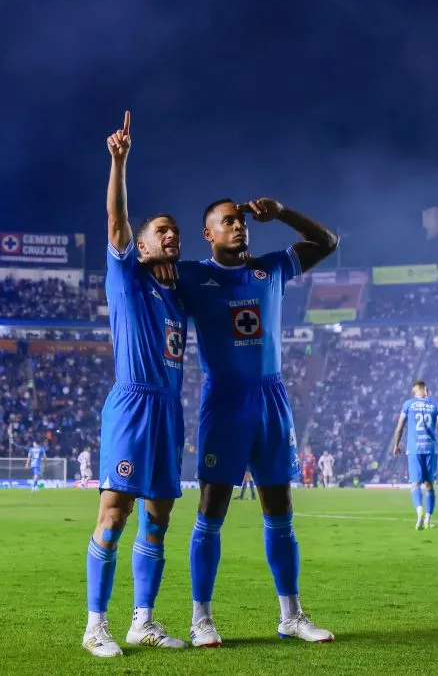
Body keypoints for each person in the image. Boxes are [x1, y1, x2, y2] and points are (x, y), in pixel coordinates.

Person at [169, 196, 338, 646]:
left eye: (242, 220)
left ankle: (291, 616)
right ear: (209, 234)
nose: (239, 226)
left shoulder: (271, 268)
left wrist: (282, 212)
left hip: (271, 396)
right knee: (211, 509)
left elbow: (327, 241)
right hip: (224, 398)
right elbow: (143, 269)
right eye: (228, 221)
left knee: (279, 508)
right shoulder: (191, 275)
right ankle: (200, 618)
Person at [82, 111, 187, 658]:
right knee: (114, 513)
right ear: (142, 247)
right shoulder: (127, 278)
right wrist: (119, 163)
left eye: (175, 232)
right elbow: (116, 222)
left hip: (170, 410)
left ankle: (141, 621)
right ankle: (95, 624)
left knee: (159, 518)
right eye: (161, 232)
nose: (171, 236)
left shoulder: (178, 297)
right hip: (132, 404)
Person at [393, 381, 438, 530]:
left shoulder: (408, 404)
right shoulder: (436, 405)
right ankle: (428, 519)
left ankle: (419, 511)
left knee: (415, 484)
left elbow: (399, 427)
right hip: (431, 449)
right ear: (425, 390)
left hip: (414, 449)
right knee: (430, 486)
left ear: (415, 391)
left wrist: (396, 445)